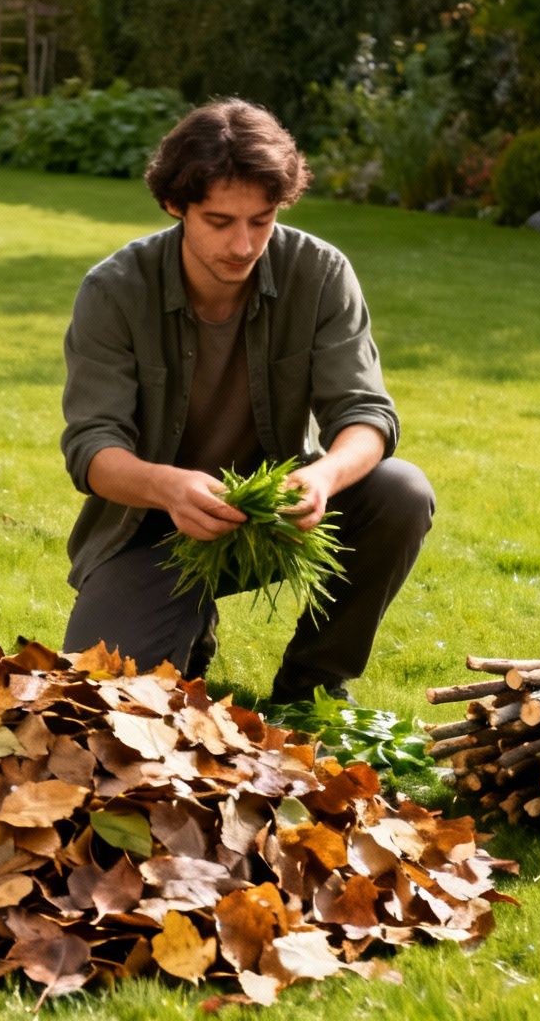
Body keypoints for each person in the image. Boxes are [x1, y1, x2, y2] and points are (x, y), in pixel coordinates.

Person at [57, 98, 433, 704]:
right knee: (99, 700)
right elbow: (91, 447)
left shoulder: (320, 273)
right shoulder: (115, 290)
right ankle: (188, 628)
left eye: (261, 220)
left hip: (277, 518)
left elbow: (368, 415)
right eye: (220, 221)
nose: (243, 244)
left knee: (402, 490)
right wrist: (168, 488)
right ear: (176, 205)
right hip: (151, 530)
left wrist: (323, 478)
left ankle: (313, 685)